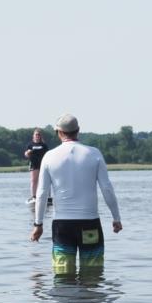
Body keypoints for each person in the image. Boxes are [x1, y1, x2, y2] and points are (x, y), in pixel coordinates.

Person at [30, 114, 122, 275]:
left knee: (63, 275)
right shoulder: (94, 154)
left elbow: (42, 193)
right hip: (90, 224)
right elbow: (106, 188)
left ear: (59, 132)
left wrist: (38, 224)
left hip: (62, 226)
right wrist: (116, 218)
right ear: (78, 130)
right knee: (93, 276)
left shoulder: (49, 156)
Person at [24, 128, 49, 201]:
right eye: (36, 135)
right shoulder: (30, 144)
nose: (37, 136)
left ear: (40, 136)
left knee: (43, 180)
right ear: (33, 136)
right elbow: (26, 154)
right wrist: (27, 153)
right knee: (34, 180)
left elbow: (47, 154)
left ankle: (45, 195)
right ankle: (34, 196)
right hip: (34, 164)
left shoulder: (44, 145)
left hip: (42, 164)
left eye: (38, 135)